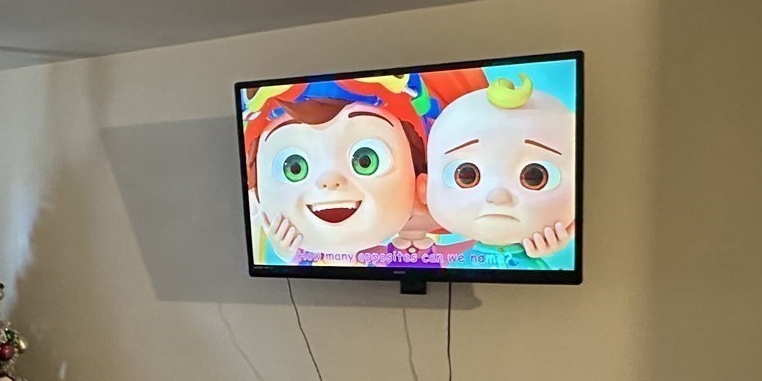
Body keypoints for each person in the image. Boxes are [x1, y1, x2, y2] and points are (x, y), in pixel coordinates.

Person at [242, 76, 434, 265]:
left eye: (366, 160)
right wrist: (285, 252)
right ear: (255, 198)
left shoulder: (397, 258)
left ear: (419, 181)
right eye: (295, 168)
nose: (330, 180)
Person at [424, 72, 577, 269]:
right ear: (425, 186)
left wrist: (554, 249)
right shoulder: (454, 264)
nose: (498, 197)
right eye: (467, 175)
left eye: (535, 176)